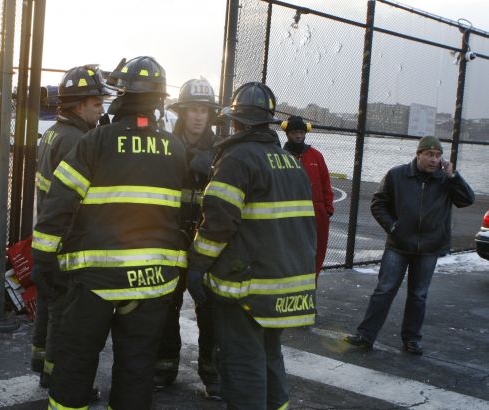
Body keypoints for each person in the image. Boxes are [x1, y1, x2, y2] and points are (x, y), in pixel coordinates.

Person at [31, 56, 188, 410]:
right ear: (160, 99)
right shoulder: (175, 149)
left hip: (95, 281)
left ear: (120, 95)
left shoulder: (95, 142)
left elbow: (59, 204)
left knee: (76, 360)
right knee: (137, 366)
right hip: (153, 283)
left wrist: (43, 259)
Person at [187, 82, 317, 409]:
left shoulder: (236, 159)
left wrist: (197, 266)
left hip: (247, 289)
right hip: (284, 286)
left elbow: (218, 225)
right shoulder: (290, 162)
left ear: (235, 122)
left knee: (243, 367)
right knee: (271, 358)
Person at [345, 136, 474, 355]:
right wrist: (393, 228)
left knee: (418, 295)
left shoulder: (445, 180)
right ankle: (365, 335)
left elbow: (466, 200)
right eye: (430, 155)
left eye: (438, 156)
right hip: (398, 245)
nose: (434, 160)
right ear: (419, 154)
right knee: (384, 290)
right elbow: (378, 204)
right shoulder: (397, 174)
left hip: (428, 248)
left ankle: (412, 339)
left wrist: (454, 176)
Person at [31, 65, 109, 390]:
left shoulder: (52, 132)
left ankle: (42, 360)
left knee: (49, 305)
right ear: (79, 106)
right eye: (96, 105)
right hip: (67, 238)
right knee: (64, 312)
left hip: (50, 236)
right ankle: (55, 373)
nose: (101, 110)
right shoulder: (78, 140)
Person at [154, 77, 221, 397]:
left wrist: (213, 169)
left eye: (203, 110)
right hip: (171, 238)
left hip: (206, 243)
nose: (198, 116)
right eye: (192, 109)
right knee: (166, 305)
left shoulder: (222, 152)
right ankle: (165, 366)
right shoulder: (166, 146)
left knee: (209, 310)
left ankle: (212, 374)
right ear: (181, 112)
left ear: (210, 115)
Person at [282, 115, 334, 278]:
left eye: (301, 132)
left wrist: (327, 209)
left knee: (317, 253)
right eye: (294, 132)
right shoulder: (280, 156)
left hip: (317, 214)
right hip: (290, 215)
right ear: (287, 134)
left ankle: (312, 286)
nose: (298, 136)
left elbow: (326, 183)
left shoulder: (316, 156)